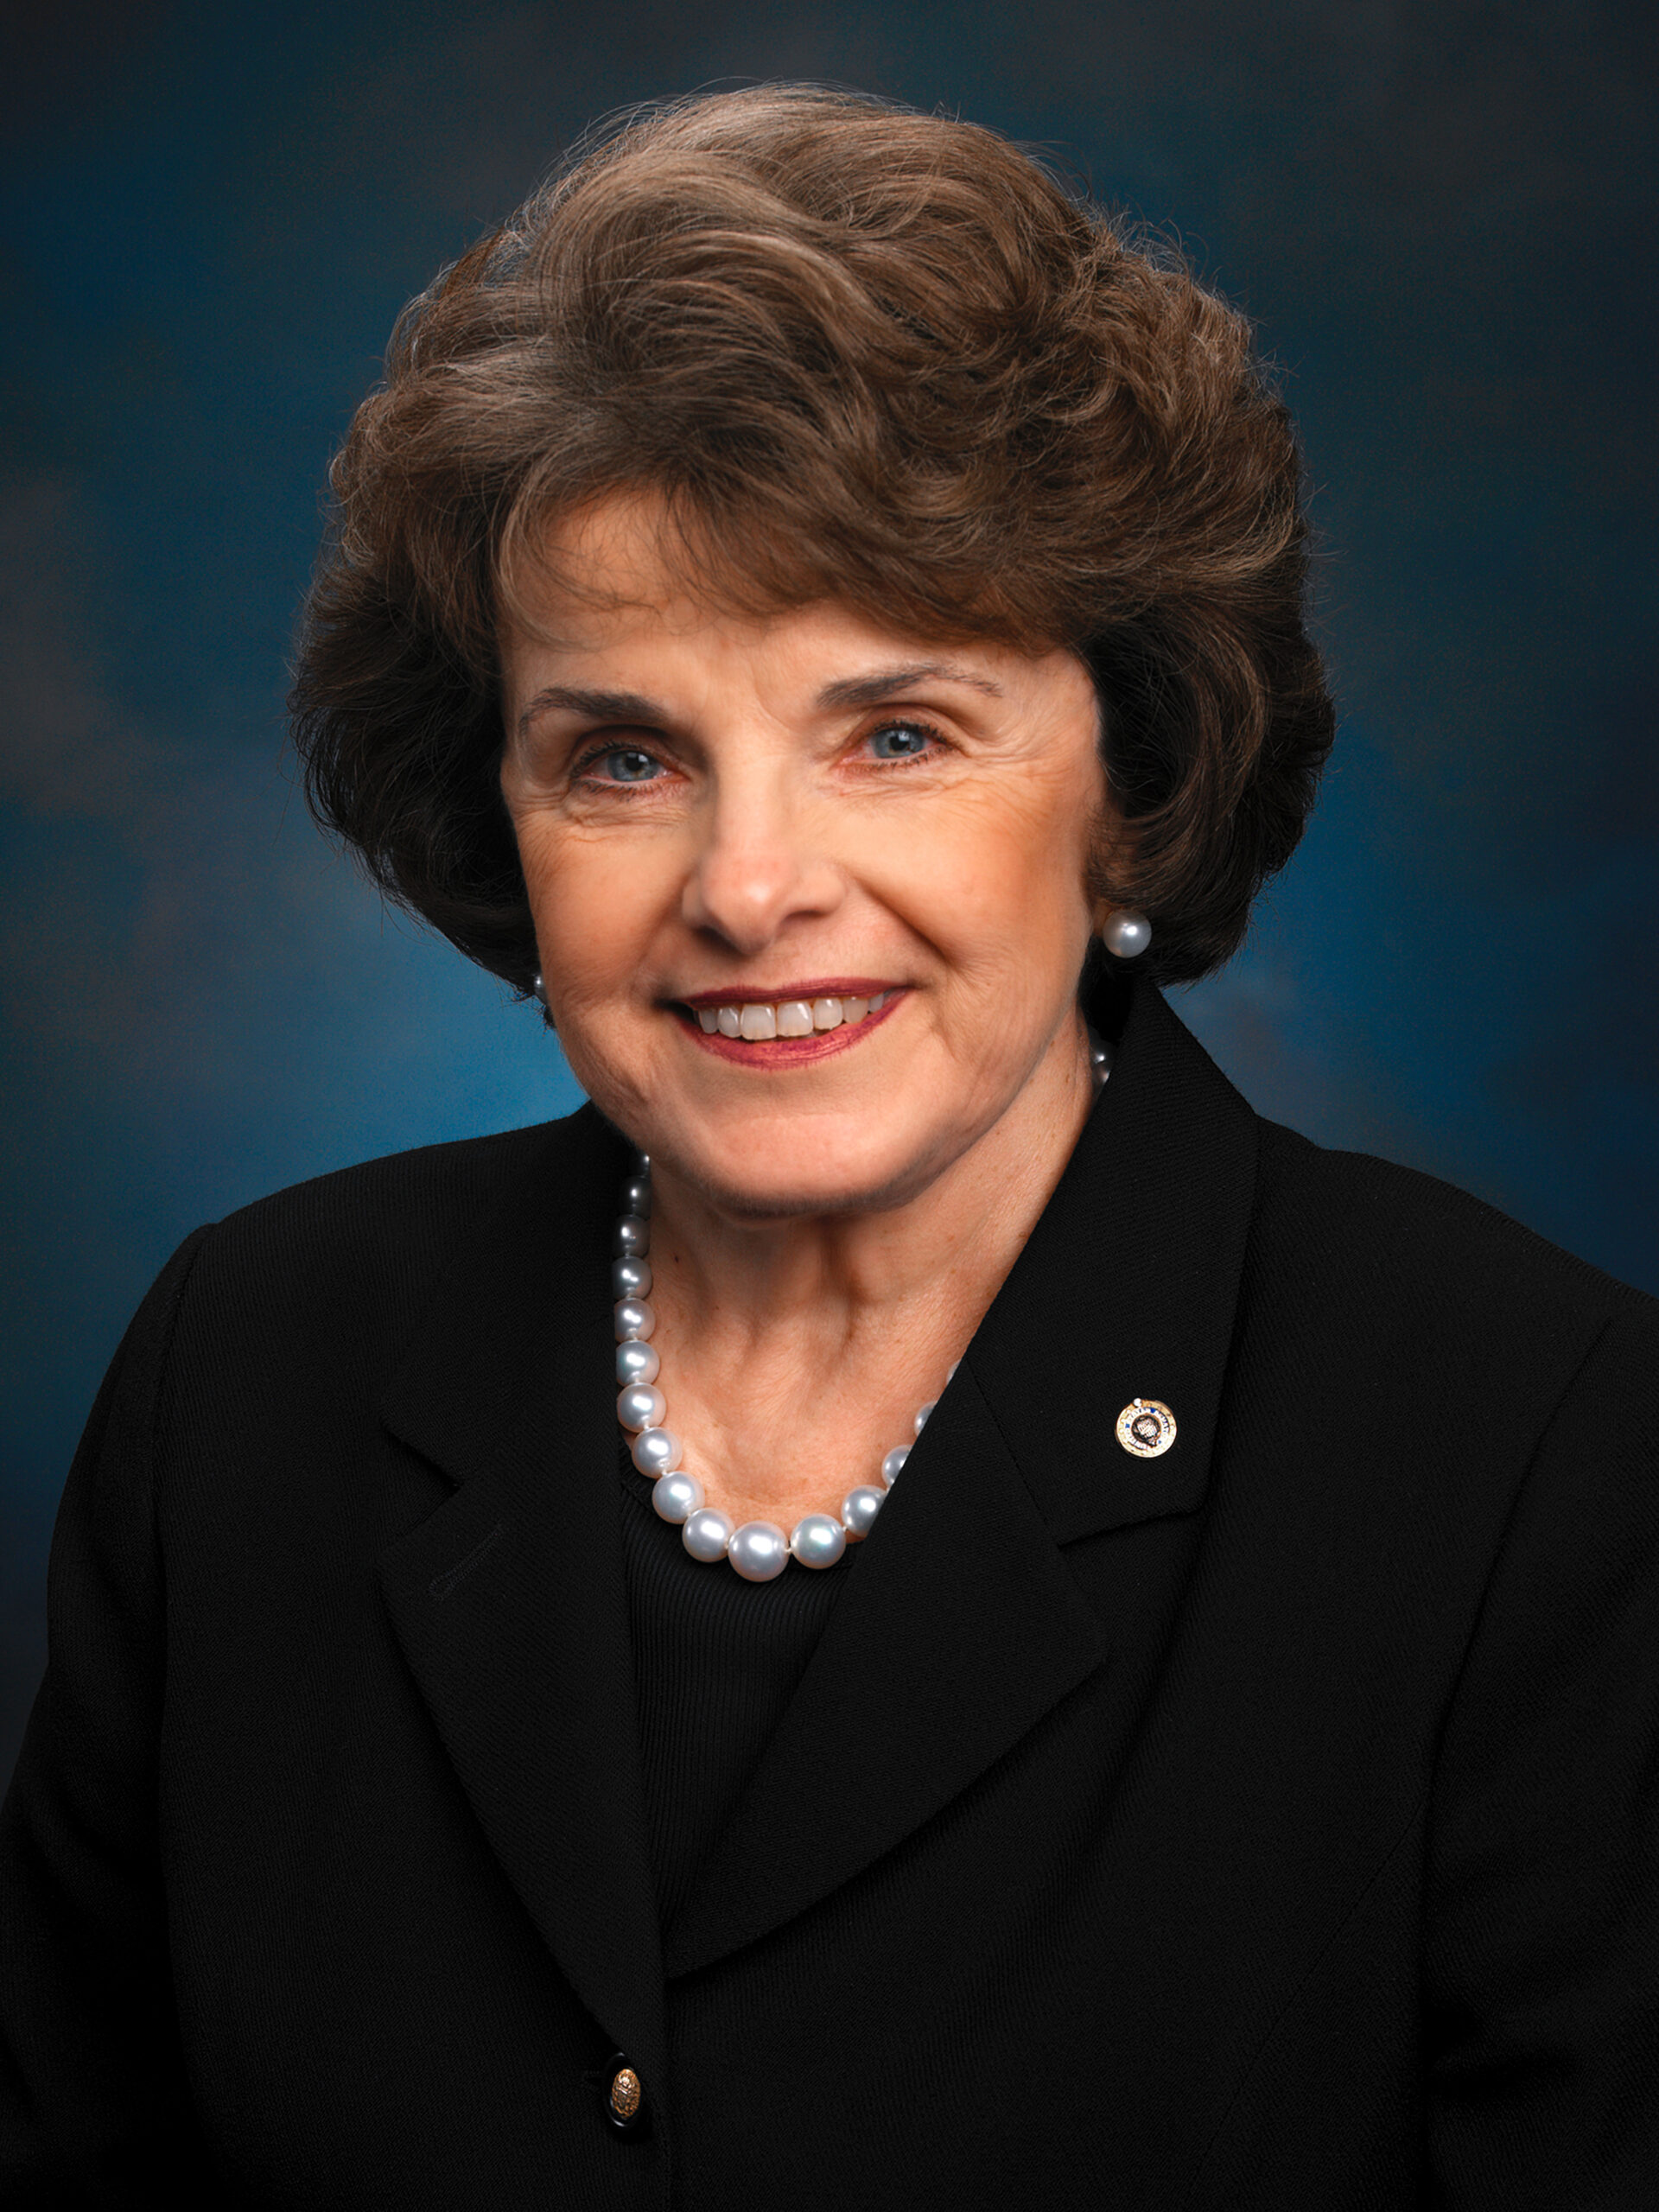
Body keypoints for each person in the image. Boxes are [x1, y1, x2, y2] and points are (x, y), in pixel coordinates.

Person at [3, 84, 1655, 2209]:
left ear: (1132, 781)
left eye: (895, 733)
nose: (749, 886)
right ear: (500, 811)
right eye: (625, 757)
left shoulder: (1532, 1450)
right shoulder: (255, 1361)